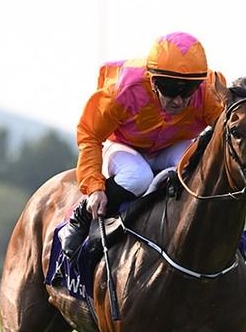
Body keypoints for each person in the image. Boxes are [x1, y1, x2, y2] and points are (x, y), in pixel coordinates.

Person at [58, 31, 229, 258]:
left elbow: (229, 133)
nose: (178, 100)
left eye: (187, 90)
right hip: (124, 148)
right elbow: (90, 135)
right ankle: (81, 215)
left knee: (193, 169)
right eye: (169, 89)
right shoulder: (123, 91)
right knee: (138, 176)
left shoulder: (207, 92)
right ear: (153, 80)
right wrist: (95, 188)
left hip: (171, 147)